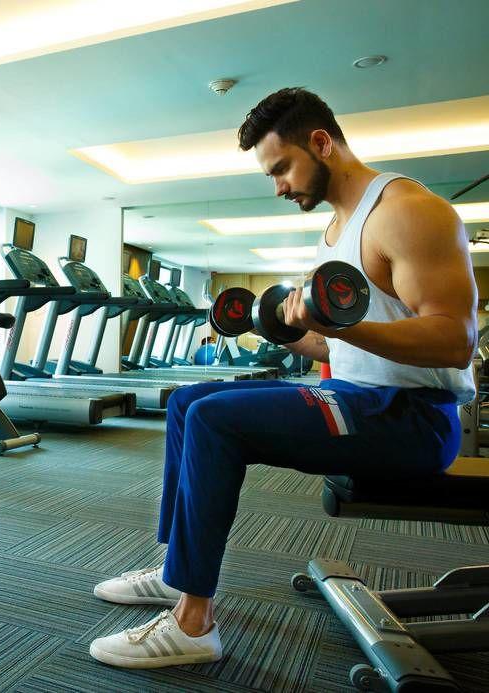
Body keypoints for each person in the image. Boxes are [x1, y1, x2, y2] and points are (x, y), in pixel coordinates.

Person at [89, 87, 477, 669]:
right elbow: (338, 343)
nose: (278, 186)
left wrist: (340, 330)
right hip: (355, 396)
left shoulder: (408, 212)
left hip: (414, 418)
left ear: (321, 142)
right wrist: (282, 329)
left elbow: (452, 338)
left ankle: (194, 624)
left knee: (217, 419)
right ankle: (180, 573)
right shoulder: (336, 231)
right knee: (190, 399)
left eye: (281, 168)